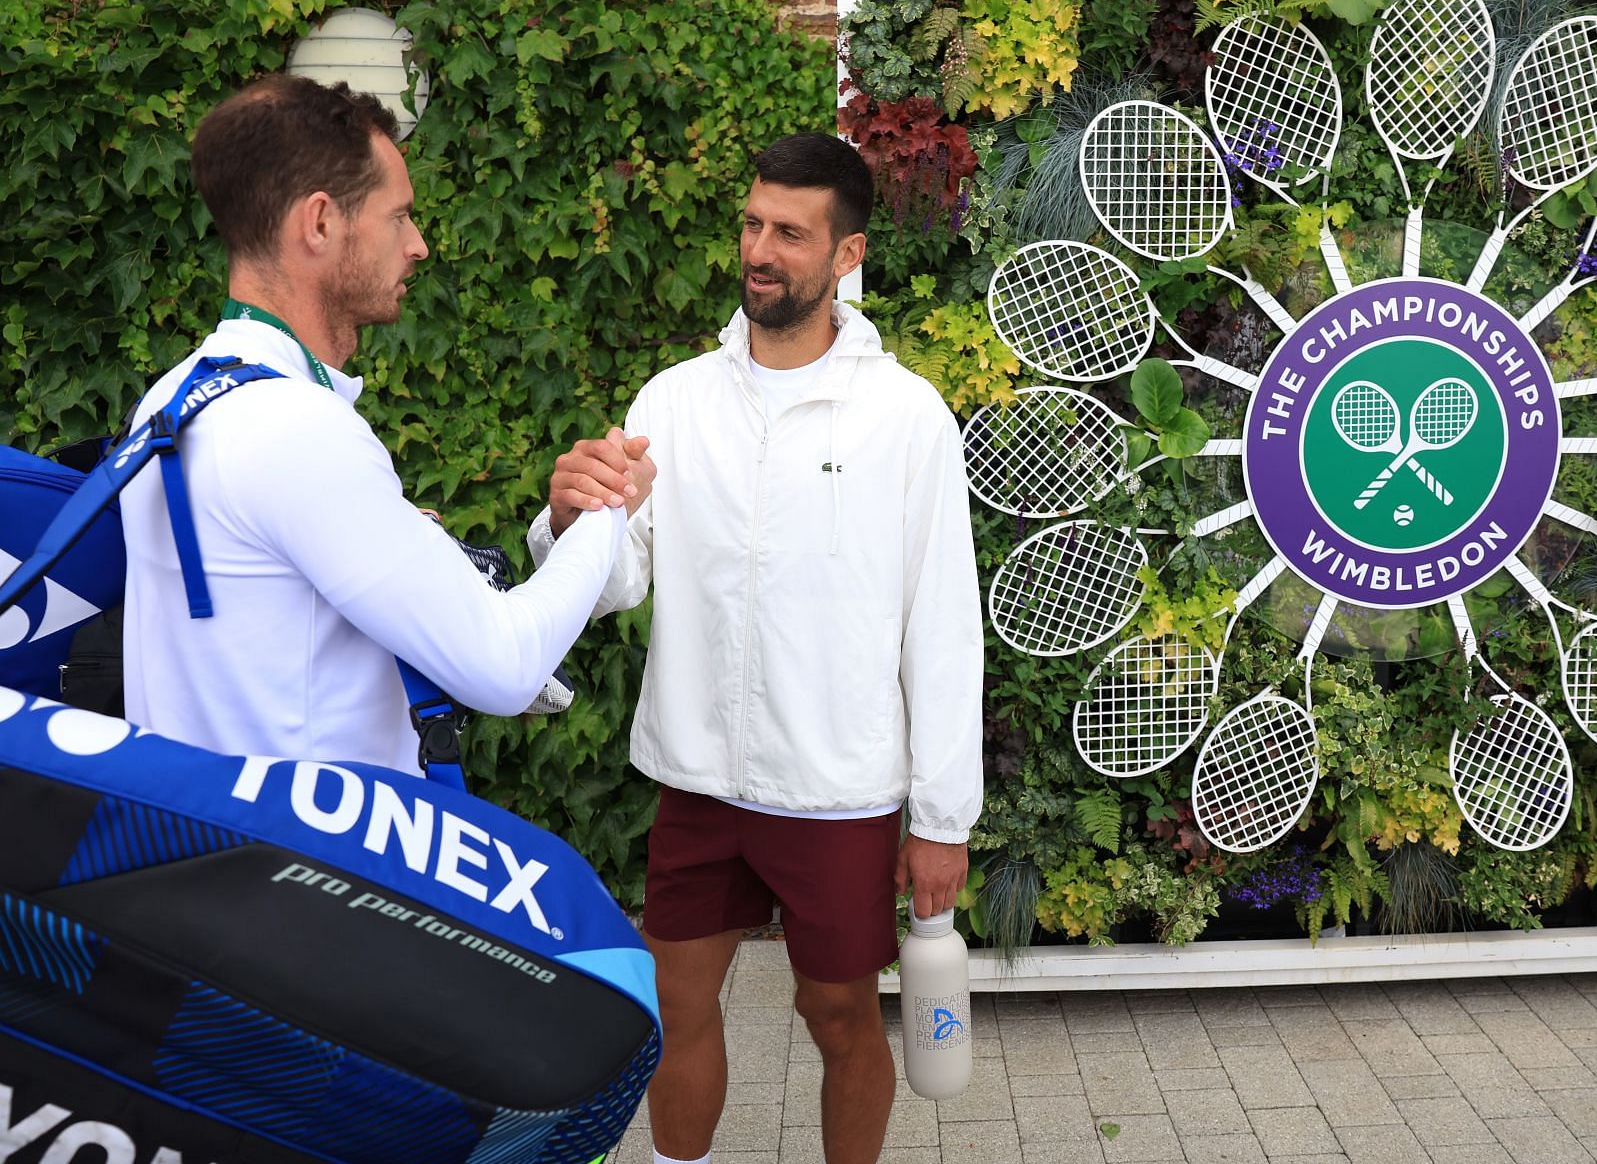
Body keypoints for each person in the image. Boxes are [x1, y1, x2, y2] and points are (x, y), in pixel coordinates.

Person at [529, 133, 983, 1164]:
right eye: (751, 223)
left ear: (848, 253)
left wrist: (943, 816)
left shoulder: (906, 418)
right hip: (698, 776)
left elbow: (944, 627)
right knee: (671, 1003)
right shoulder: (675, 399)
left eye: (789, 231)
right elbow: (616, 578)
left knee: (837, 1014)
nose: (760, 249)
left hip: (838, 789)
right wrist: (563, 525)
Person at [119, 75, 638, 771]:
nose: (418, 244)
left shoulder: (169, 399)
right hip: (308, 869)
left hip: (200, 849)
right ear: (321, 222)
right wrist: (608, 508)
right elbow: (507, 666)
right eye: (398, 217)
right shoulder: (295, 430)